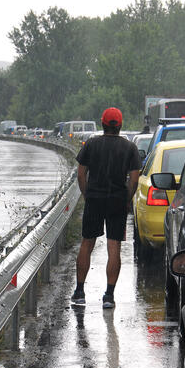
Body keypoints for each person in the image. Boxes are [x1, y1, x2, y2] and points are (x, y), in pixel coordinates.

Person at [70, 107, 141, 308]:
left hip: (94, 198)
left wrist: (87, 195)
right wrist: (127, 199)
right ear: (120, 125)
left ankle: (79, 292)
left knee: (87, 244)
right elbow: (134, 180)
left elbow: (81, 174)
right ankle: (109, 296)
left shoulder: (91, 144)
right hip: (117, 200)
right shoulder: (130, 148)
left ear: (102, 124)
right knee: (114, 246)